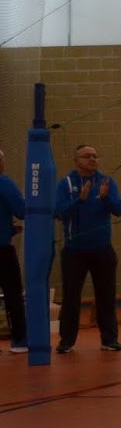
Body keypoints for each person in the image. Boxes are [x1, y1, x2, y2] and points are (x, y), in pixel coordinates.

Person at [53, 143, 121, 353]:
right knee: (71, 297)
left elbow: (118, 209)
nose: (92, 159)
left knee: (106, 296)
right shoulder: (65, 183)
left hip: (102, 249)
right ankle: (66, 341)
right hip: (75, 251)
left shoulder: (106, 182)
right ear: (77, 161)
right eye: (87, 156)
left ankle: (109, 339)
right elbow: (59, 212)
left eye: (95, 156)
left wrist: (105, 197)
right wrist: (80, 200)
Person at [0, 149, 26, 353]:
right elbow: (22, 210)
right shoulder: (4, 182)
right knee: (13, 295)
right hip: (2, 251)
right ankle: (19, 340)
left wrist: (8, 227)